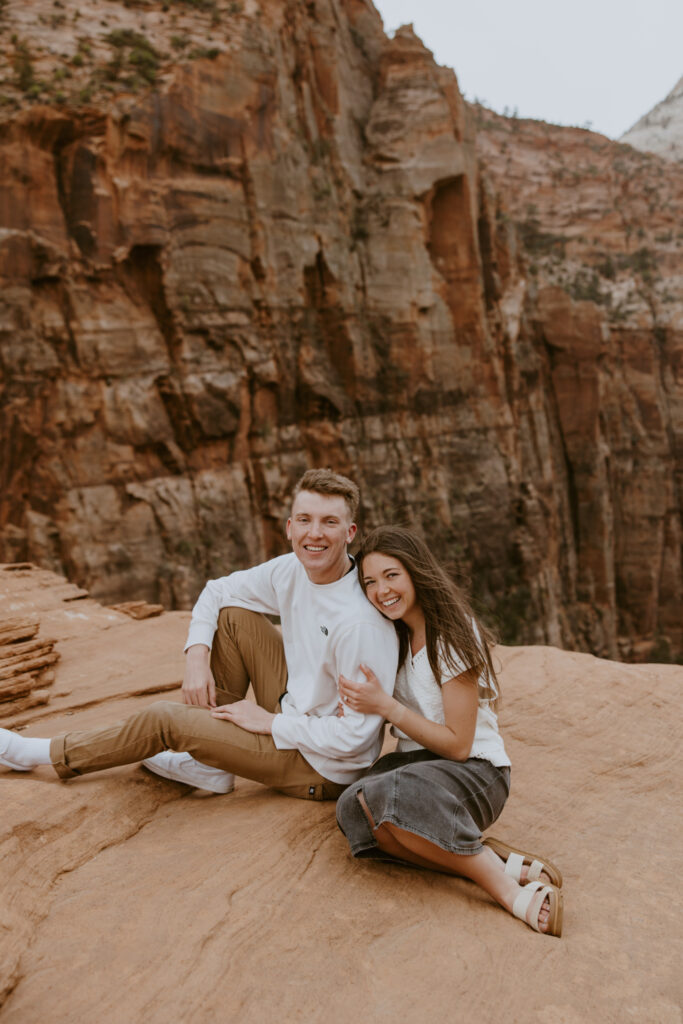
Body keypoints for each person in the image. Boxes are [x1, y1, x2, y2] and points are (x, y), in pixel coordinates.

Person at [0, 470, 398, 800]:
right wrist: (196, 655)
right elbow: (218, 590)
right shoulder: (291, 570)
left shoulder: (359, 622)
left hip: (322, 765)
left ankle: (37, 753)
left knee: (163, 720)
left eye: (330, 522)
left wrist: (268, 723)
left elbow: (354, 741)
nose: (316, 534)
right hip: (297, 709)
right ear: (290, 527)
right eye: (306, 520)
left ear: (350, 532)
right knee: (232, 616)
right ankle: (209, 765)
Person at [335, 525, 563, 937]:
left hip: (475, 772)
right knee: (354, 808)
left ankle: (506, 891)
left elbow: (458, 745)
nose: (381, 591)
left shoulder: (452, 634)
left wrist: (387, 707)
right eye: (369, 582)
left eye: (392, 575)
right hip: (420, 767)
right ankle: (484, 856)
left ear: (416, 572)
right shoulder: (393, 635)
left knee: (390, 795)